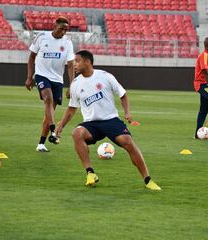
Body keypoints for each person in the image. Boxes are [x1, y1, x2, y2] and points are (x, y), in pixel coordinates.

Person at [55, 50, 161, 190]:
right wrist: (61, 125)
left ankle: (148, 180)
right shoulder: (75, 83)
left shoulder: (105, 76)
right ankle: (90, 173)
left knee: (128, 143)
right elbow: (72, 108)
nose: (74, 64)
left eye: (77, 61)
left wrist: (127, 112)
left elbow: (123, 94)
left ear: (87, 62)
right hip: (91, 124)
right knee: (76, 133)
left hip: (110, 120)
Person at [25, 16, 75, 152]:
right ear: (54, 26)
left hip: (58, 79)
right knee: (48, 98)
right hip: (42, 75)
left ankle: (41, 143)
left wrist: (72, 85)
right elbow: (31, 57)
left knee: (50, 112)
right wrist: (30, 77)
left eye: (66, 30)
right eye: (61, 29)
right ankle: (54, 130)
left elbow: (70, 65)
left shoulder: (68, 43)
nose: (63, 32)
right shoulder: (41, 37)